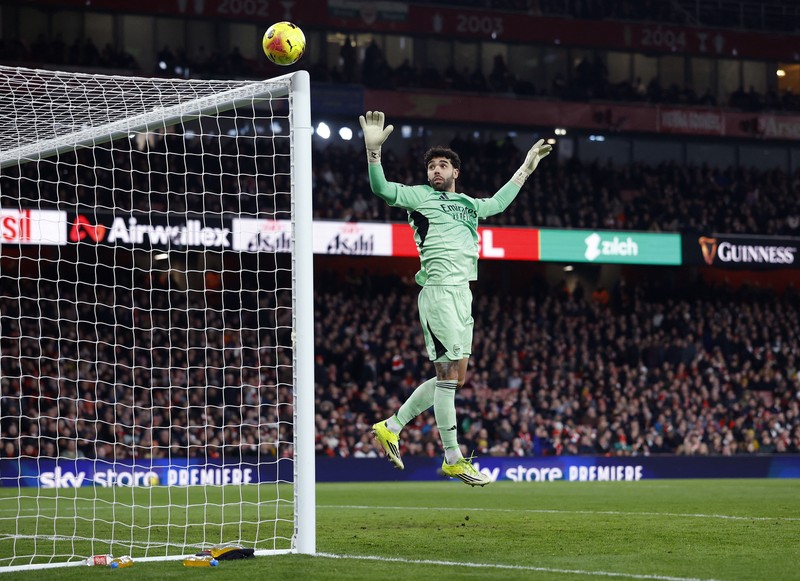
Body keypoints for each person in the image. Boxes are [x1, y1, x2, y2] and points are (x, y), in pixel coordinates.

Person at [359, 111, 552, 486]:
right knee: (447, 376)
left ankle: (392, 425)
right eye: (432, 166)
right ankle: (452, 457)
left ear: (455, 172)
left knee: (456, 378)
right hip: (439, 292)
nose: (436, 170)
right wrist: (373, 154)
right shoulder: (419, 197)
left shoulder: (467, 204)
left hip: (463, 294)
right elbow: (382, 190)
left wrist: (526, 167)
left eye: (443, 165)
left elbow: (498, 203)